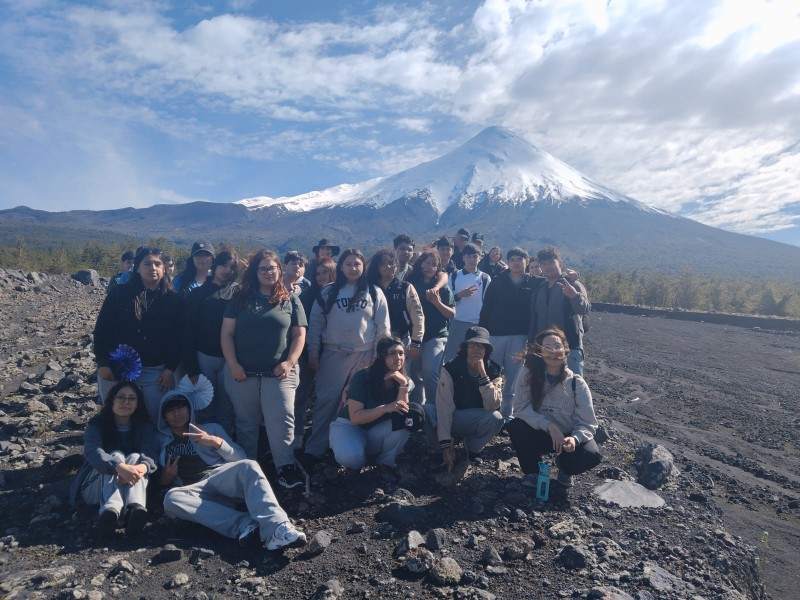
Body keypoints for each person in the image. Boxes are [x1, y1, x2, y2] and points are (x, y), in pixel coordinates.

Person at [157, 381, 307, 551]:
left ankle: (277, 527)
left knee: (249, 465)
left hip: (220, 479)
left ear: (189, 408)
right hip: (193, 492)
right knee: (171, 499)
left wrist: (216, 442)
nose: (177, 413)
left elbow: (240, 457)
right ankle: (246, 526)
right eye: (170, 410)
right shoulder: (159, 440)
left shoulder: (211, 429)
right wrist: (165, 478)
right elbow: (157, 480)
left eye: (181, 407)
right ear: (164, 417)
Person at [220, 250, 306, 489]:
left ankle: (285, 467)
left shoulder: (289, 298)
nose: (269, 273)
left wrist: (289, 362)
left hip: (279, 373)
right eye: (263, 269)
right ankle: (248, 469)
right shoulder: (240, 298)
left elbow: (299, 335)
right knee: (245, 423)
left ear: (280, 269)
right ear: (255, 272)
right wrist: (233, 364)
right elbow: (226, 334)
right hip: (242, 373)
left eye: (272, 268)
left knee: (282, 420)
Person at [304, 249, 391, 463]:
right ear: (341, 267)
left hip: (364, 354)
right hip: (333, 353)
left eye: (357, 264)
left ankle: (348, 445)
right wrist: (313, 353)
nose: (353, 268)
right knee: (327, 400)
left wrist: (378, 355)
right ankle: (316, 446)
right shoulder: (329, 291)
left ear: (363, 266)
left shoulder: (374, 292)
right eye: (348, 264)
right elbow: (315, 324)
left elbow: (383, 328)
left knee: (355, 402)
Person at [505, 327, 602, 489]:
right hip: (542, 432)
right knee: (516, 426)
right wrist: (549, 426)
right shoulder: (528, 375)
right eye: (548, 347)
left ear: (565, 351)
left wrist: (575, 438)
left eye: (557, 346)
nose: (553, 351)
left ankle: (565, 468)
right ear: (540, 352)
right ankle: (532, 471)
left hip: (567, 438)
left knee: (592, 456)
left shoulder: (576, 383)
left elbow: (588, 423)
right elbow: (521, 409)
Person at [94, 247, 181, 420]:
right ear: (138, 268)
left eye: (157, 264)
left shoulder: (174, 300)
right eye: (147, 264)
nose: (153, 268)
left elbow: (177, 337)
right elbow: (102, 330)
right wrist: (102, 363)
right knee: (116, 417)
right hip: (117, 367)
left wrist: (170, 368)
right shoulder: (119, 293)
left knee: (155, 417)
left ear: (164, 268)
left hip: (156, 370)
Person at [70, 381, 158, 538]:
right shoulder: (97, 424)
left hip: (131, 482)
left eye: (131, 398)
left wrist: (140, 468)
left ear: (137, 404)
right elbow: (93, 452)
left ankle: (135, 509)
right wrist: (119, 467)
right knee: (116, 455)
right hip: (93, 488)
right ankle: (110, 511)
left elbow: (150, 452)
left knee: (136, 457)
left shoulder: (144, 426)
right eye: (121, 397)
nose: (126, 402)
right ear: (112, 400)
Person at [329, 337, 415, 479]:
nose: (398, 358)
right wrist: (385, 408)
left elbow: (402, 412)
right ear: (381, 356)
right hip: (350, 426)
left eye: (401, 353)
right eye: (392, 353)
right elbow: (356, 417)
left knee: (405, 421)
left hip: (376, 430)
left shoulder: (405, 381)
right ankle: (357, 458)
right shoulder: (363, 377)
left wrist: (403, 385)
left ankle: (385, 463)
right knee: (352, 458)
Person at [423, 326, 504, 469]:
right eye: (472, 345)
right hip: (453, 415)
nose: (476, 348)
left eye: (481, 345)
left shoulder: (494, 370)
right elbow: (444, 405)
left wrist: (483, 375)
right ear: (465, 347)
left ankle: (472, 448)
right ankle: (441, 450)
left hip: (475, 417)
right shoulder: (450, 367)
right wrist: (445, 443)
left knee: (496, 418)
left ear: (487, 350)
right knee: (427, 410)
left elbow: (492, 405)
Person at [182, 250, 240, 435]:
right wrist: (191, 368)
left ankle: (223, 443)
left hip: (230, 359)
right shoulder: (197, 295)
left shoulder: (239, 293)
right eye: (224, 265)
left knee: (227, 407)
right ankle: (203, 446)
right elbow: (188, 332)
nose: (227, 270)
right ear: (215, 265)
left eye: (232, 267)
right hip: (204, 357)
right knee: (204, 406)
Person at [479, 247, 538, 422]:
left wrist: (572, 278)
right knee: (491, 375)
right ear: (508, 262)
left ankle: (506, 416)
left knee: (513, 379)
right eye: (512, 259)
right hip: (495, 336)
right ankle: (488, 413)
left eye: (520, 259)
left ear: (527, 262)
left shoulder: (534, 282)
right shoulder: (497, 281)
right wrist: (482, 336)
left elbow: (554, 278)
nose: (516, 263)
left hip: (519, 336)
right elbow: (486, 309)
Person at [294, 257, 337, 451]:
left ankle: (328, 434)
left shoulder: (342, 294)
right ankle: (297, 434)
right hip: (306, 353)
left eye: (325, 272)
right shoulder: (306, 297)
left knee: (328, 396)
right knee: (302, 393)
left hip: (333, 353)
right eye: (317, 273)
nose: (321, 277)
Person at [527, 246, 590, 376]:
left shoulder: (573, 284)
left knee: (573, 384)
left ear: (560, 263)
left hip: (570, 346)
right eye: (543, 263)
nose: (547, 266)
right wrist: (532, 344)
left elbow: (585, 309)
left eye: (551, 262)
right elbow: (534, 319)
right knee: (544, 385)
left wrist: (574, 296)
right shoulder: (539, 289)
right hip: (543, 348)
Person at [406, 249, 455, 405]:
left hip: (436, 335)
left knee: (429, 371)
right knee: (413, 374)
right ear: (420, 263)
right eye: (427, 263)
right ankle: (417, 407)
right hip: (414, 336)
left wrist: (436, 302)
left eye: (434, 264)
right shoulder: (411, 284)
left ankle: (434, 407)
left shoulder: (442, 288)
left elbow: (451, 314)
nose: (430, 267)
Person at [366, 249, 424, 362]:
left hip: (401, 340)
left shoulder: (405, 287)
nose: (388, 266)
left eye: (391, 263)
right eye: (383, 263)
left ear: (396, 266)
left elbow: (418, 315)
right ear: (377, 266)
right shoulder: (368, 288)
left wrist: (416, 342)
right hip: (372, 341)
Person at [443, 243, 491, 363]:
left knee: (473, 358)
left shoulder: (485, 278)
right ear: (463, 257)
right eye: (468, 256)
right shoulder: (454, 276)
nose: (471, 259)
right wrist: (460, 295)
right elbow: (446, 300)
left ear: (480, 258)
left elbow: (487, 303)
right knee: (451, 357)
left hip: (476, 323)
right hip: (456, 321)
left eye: (475, 256)